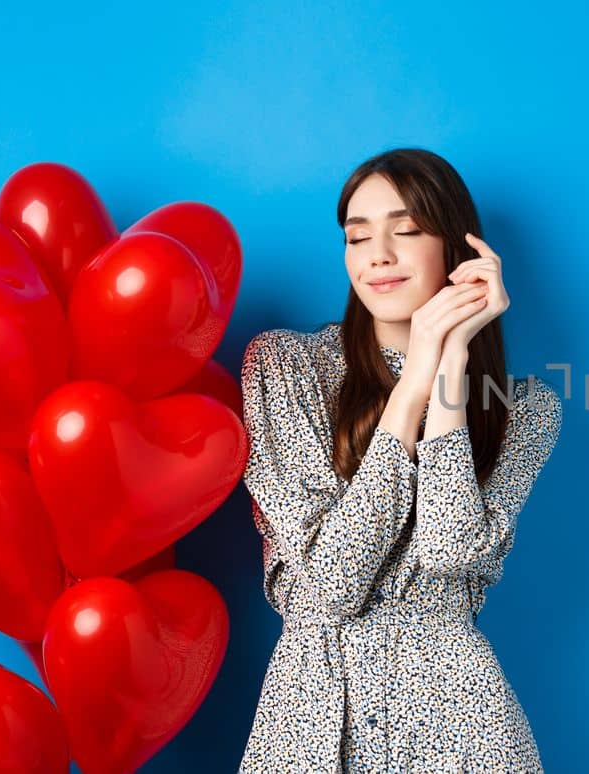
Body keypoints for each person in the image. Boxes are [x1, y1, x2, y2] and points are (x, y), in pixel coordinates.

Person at [238, 147, 561, 772]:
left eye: (406, 231)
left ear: (459, 252)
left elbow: (447, 555)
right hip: (312, 714)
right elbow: (327, 590)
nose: (378, 256)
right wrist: (412, 386)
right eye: (358, 238)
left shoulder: (523, 411)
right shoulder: (285, 367)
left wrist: (447, 373)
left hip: (459, 718)